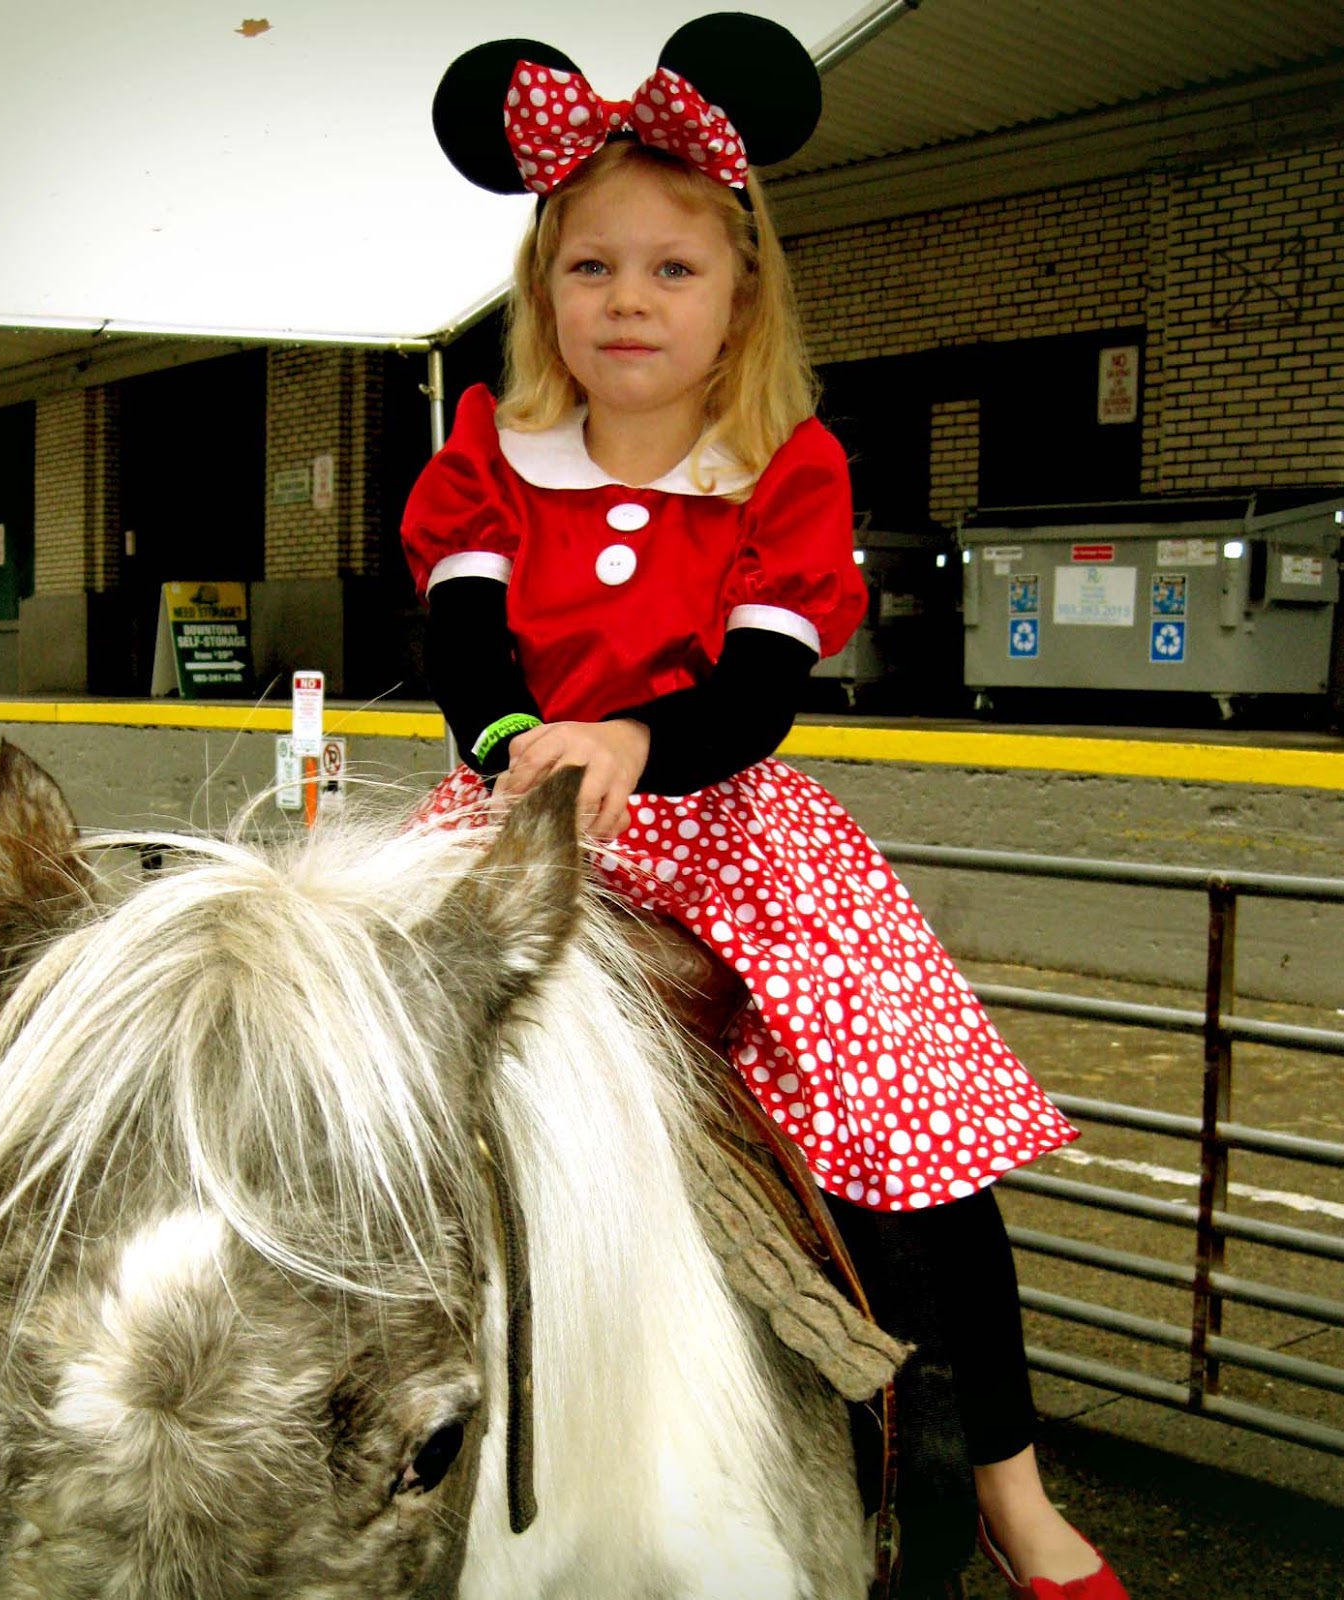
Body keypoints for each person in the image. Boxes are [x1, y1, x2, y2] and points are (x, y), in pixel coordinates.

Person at [404, 16, 1128, 1599]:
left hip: (721, 817)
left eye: (672, 269)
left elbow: (752, 699)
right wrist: (533, 741)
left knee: (909, 1125)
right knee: (358, 1044)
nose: (629, 301)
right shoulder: (487, 457)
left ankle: (1009, 1489)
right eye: (591, 268)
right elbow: (465, 654)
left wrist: (630, 744)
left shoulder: (780, 470)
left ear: (740, 295)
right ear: (544, 294)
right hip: (519, 811)